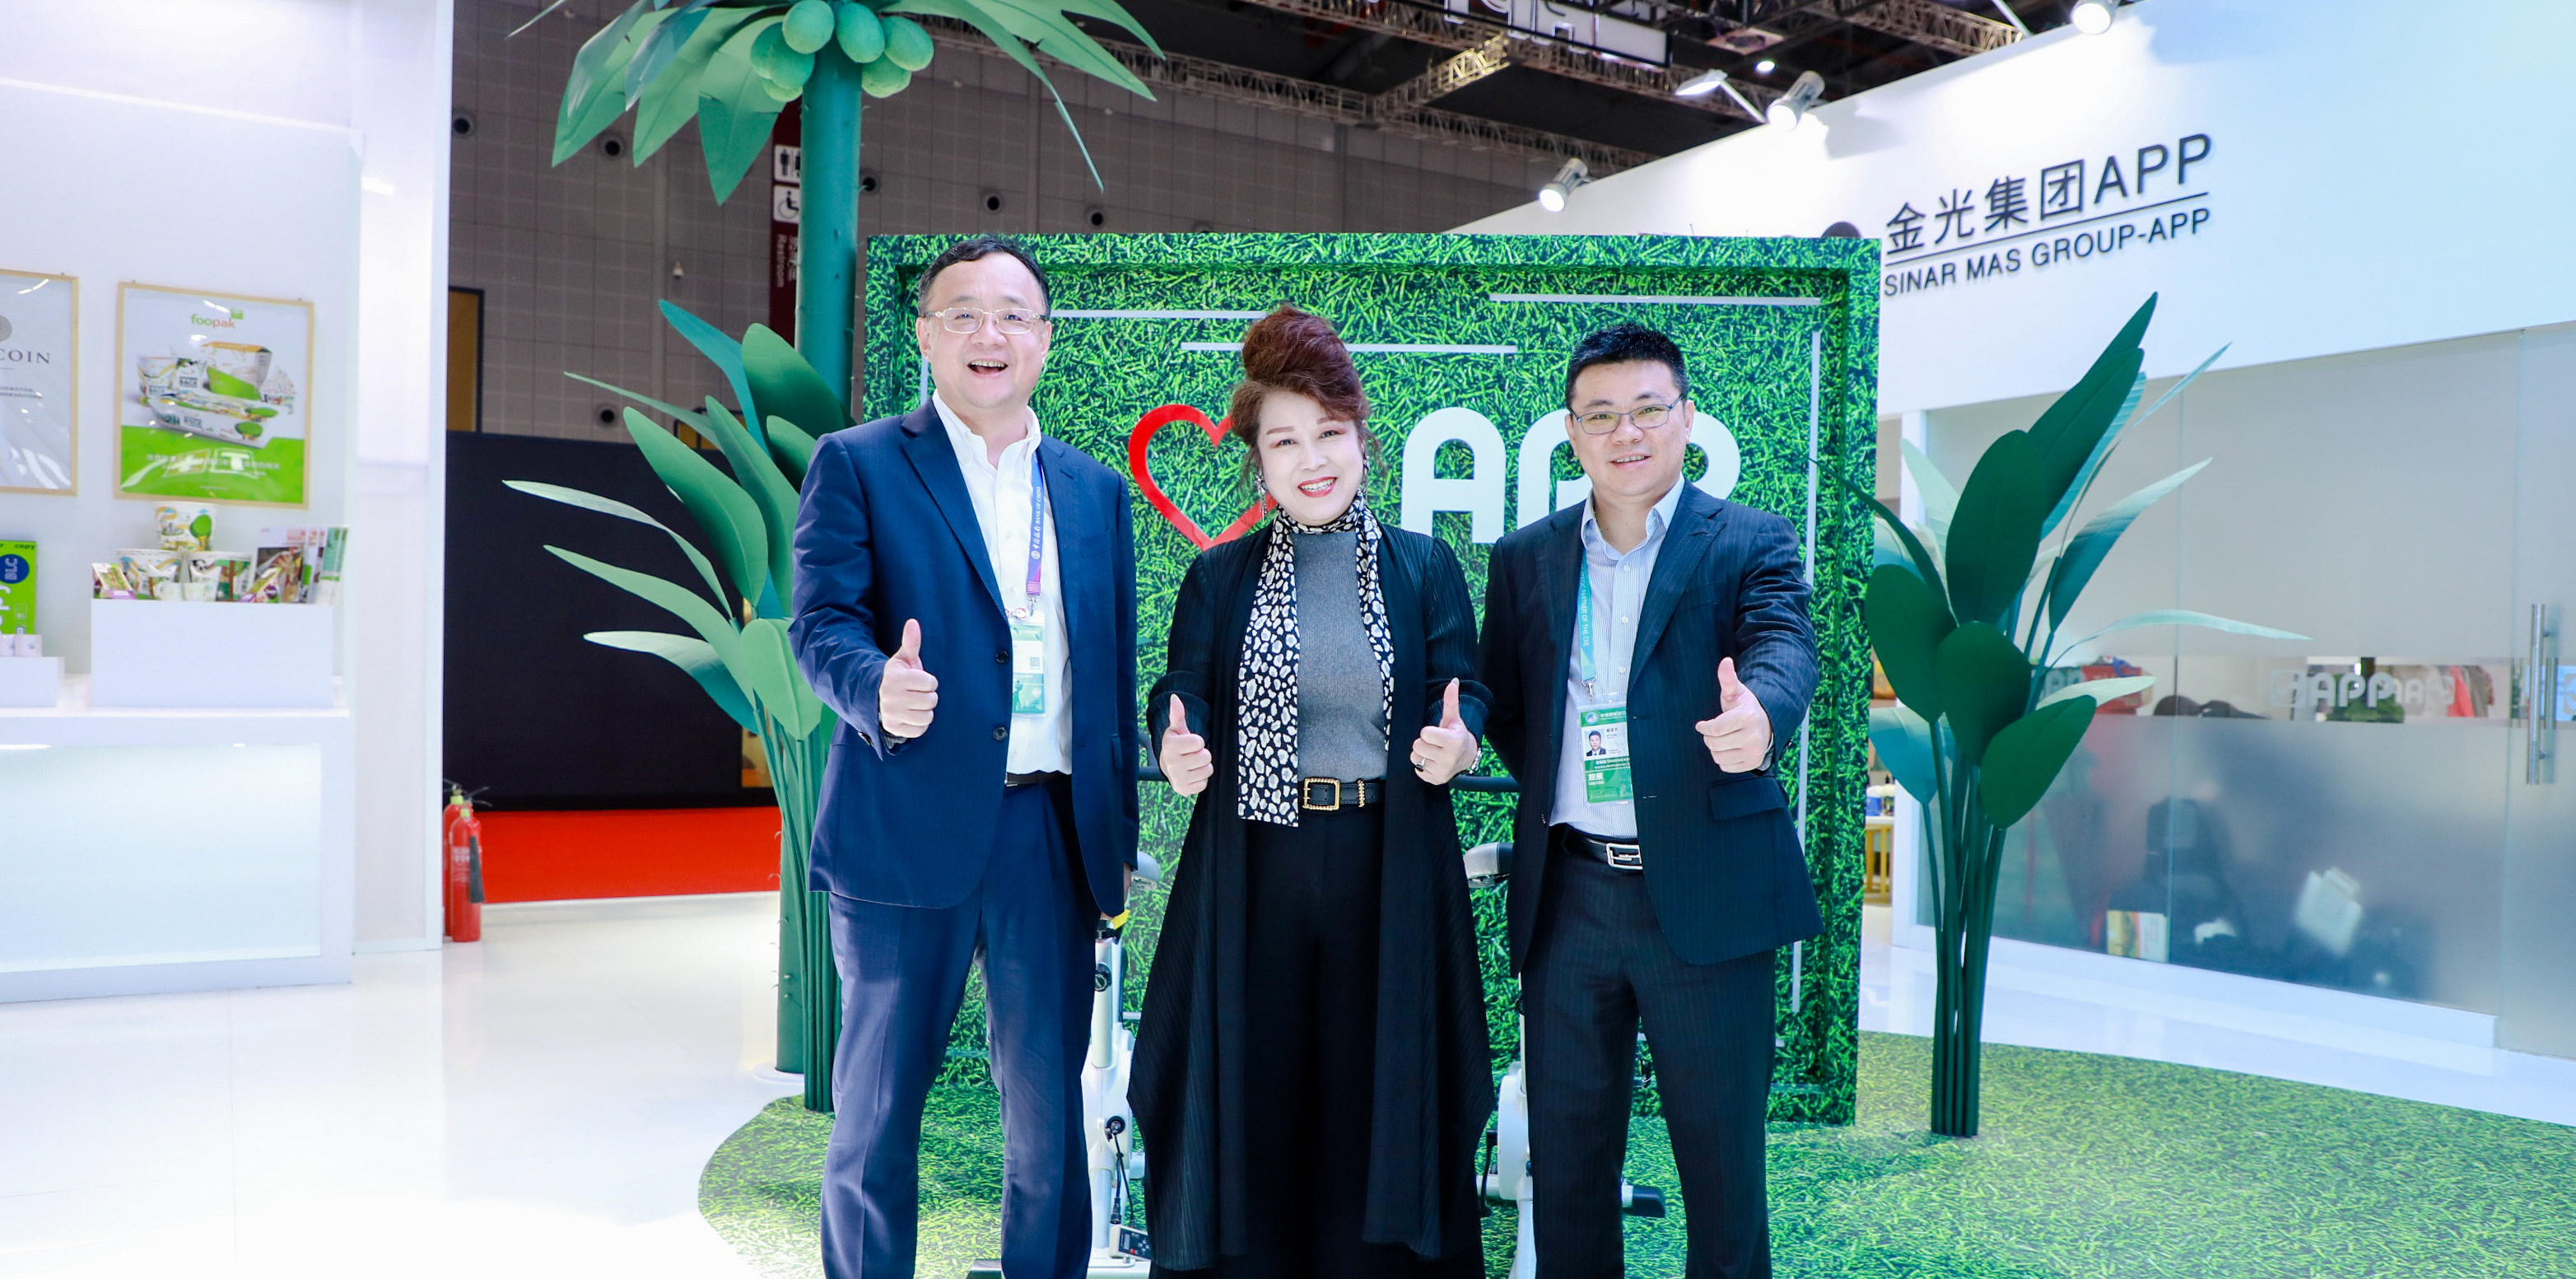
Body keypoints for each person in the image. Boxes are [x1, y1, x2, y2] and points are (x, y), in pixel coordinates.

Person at [789, 235, 1139, 1279]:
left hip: (1050, 835)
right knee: (877, 1116)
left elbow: (1107, 669)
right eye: (965, 313)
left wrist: (1114, 839)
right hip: (906, 823)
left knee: (1048, 1121)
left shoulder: (1093, 490)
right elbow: (821, 624)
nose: (991, 333)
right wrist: (875, 689)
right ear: (926, 336)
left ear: (1045, 339)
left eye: (1014, 314)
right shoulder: (860, 461)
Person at [1131, 306, 1493, 1279]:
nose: (1312, 459)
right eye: (1284, 440)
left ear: (1362, 438)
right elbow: (1182, 686)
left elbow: (1464, 681)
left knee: (1375, 1081)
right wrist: (1176, 736)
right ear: (1258, 459)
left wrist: (1460, 735)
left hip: (1387, 860)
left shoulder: (1424, 565)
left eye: (1329, 433)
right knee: (1257, 1079)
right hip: (1258, 863)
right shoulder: (1221, 576)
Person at [1477, 323, 1819, 1279]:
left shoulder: (1747, 539)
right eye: (1601, 415)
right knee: (1569, 1175)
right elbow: (1508, 702)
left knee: (1722, 1175)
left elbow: (1784, 645)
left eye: (1646, 410)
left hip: (1708, 895)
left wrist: (1762, 715)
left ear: (1686, 416)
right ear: (1572, 433)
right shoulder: (1525, 557)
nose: (1625, 433)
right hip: (1571, 896)